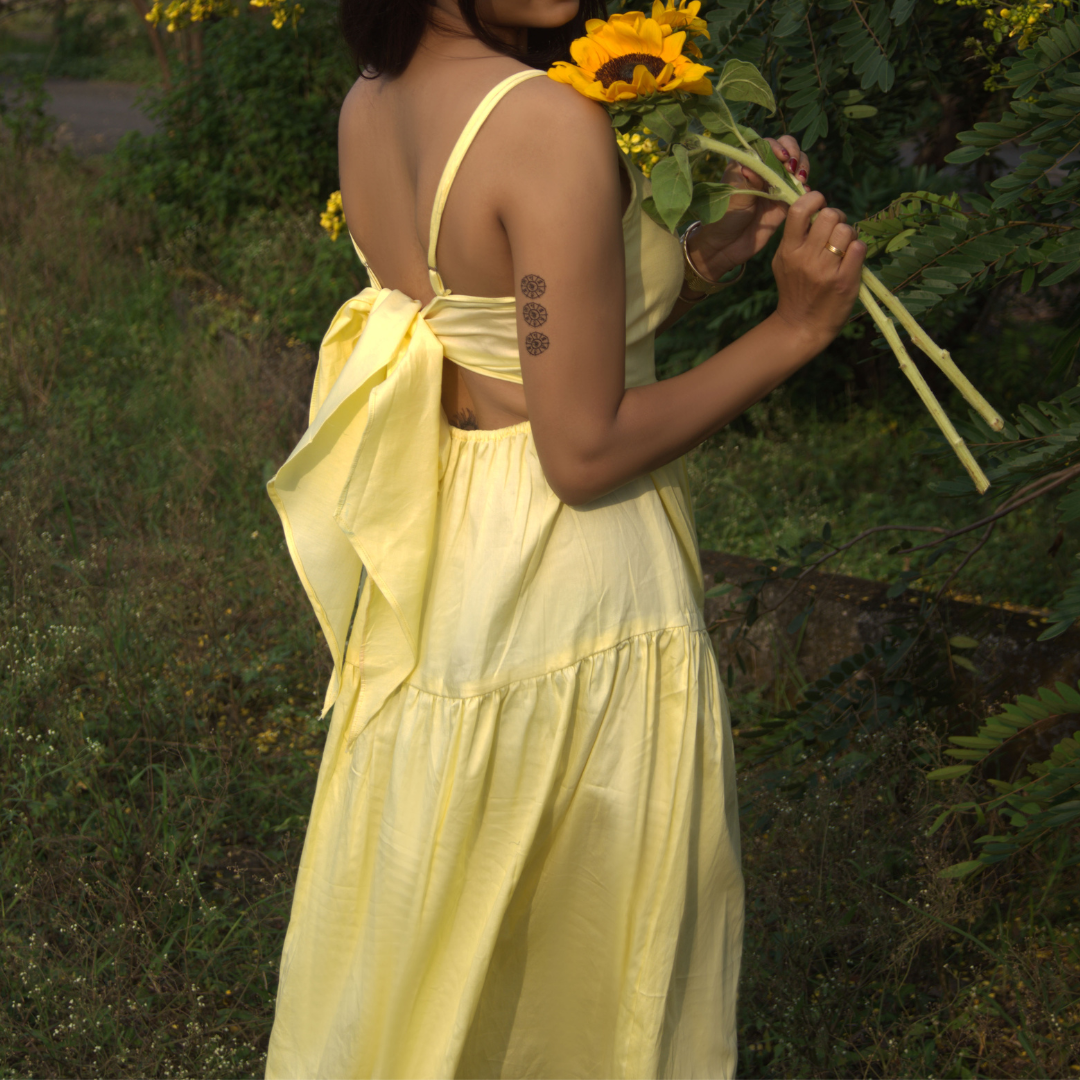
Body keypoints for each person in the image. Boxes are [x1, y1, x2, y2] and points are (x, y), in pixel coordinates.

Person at [264, 1, 865, 1076]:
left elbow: (513, 335)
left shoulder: (372, 104)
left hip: (443, 568)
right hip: (568, 588)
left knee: (443, 931)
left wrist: (703, 256)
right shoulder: (544, 122)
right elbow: (580, 447)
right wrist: (795, 331)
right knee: (591, 969)